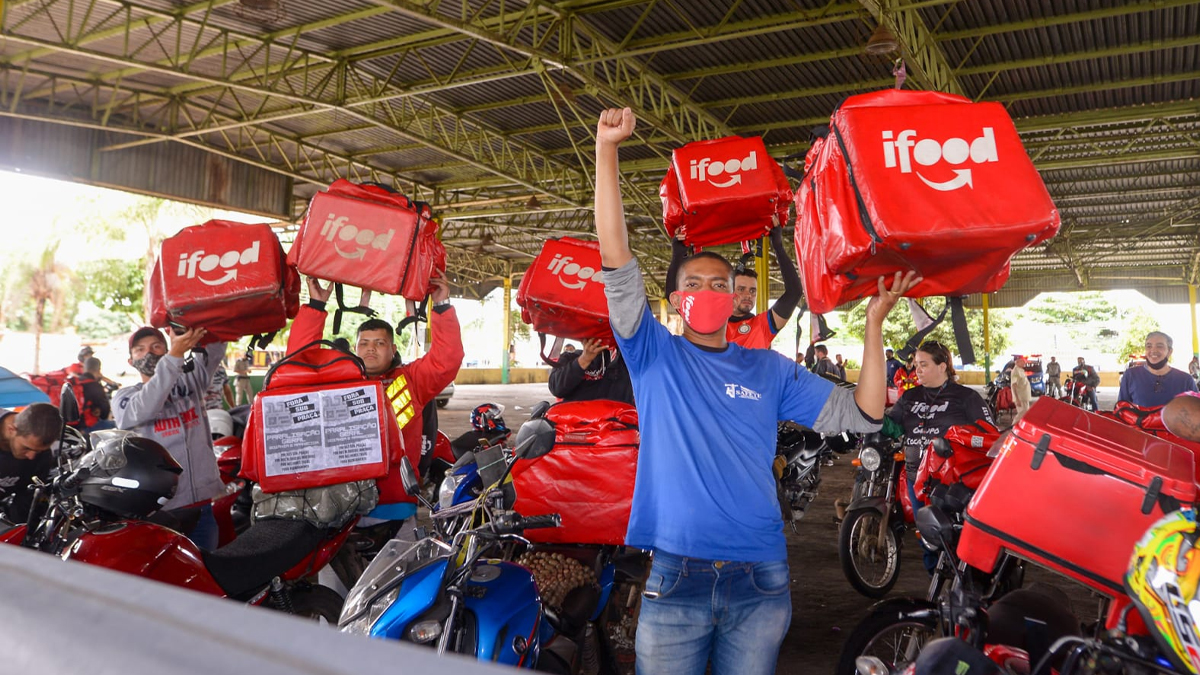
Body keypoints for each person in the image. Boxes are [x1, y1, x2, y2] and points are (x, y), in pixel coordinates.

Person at [593, 106, 918, 675]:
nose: (709, 291)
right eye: (693, 283)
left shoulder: (768, 369)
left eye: (720, 283)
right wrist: (607, 150)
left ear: (737, 296)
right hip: (676, 574)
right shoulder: (652, 354)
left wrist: (873, 327)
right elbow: (616, 257)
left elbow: (864, 413)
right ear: (674, 301)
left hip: (761, 579)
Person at [288, 276, 463, 528]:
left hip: (396, 505)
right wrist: (315, 306)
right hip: (340, 506)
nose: (371, 349)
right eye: (365, 344)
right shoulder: (338, 383)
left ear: (393, 349)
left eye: (380, 344)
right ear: (356, 348)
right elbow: (298, 365)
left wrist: (442, 305)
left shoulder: (411, 381)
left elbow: (447, 360)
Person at [113, 326, 226, 549]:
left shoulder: (190, 382)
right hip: (160, 513)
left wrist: (193, 326)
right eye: (140, 349)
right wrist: (174, 356)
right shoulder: (125, 398)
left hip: (202, 507)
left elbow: (216, 346)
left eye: (157, 347)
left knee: (205, 575)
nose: (149, 353)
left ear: (167, 350)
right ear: (130, 361)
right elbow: (148, 404)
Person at [886, 341, 994, 567]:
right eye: (916, 365)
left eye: (924, 364)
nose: (918, 370)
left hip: (954, 486)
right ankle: (936, 589)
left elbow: (989, 437)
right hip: (918, 482)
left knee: (960, 543)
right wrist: (871, 419)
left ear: (943, 366)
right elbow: (892, 426)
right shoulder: (909, 397)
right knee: (929, 541)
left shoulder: (966, 397)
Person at [664, 225, 803, 351]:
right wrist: (678, 254)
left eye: (752, 291)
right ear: (729, 293)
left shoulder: (763, 325)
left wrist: (777, 245)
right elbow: (673, 294)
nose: (748, 295)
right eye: (741, 289)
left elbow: (794, 293)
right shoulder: (706, 318)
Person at [0, 403, 62, 523]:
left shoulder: (42, 457)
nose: (31, 456)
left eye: (38, 451)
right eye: (26, 448)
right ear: (11, 430)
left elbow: (24, 502)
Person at [1118, 331, 1198, 407]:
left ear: (1169, 351)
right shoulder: (1131, 375)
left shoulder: (1185, 380)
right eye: (1149, 346)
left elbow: (1196, 414)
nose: (1153, 350)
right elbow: (1121, 411)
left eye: (1160, 346)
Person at [547, 337, 634, 404]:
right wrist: (584, 360)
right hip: (575, 424)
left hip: (615, 423)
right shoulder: (569, 357)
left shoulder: (624, 360)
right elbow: (556, 388)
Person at [78, 357, 115, 432]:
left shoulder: (75, 382)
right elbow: (105, 414)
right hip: (87, 427)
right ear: (98, 370)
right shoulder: (95, 385)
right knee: (117, 425)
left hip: (72, 426)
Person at [1010, 355, 1032, 422]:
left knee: (1025, 414)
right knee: (1022, 413)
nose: (1024, 363)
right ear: (1017, 362)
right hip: (1020, 398)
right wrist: (1017, 399)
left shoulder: (1021, 370)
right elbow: (1014, 385)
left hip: (1024, 397)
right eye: (1022, 361)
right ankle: (1013, 427)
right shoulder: (1015, 371)